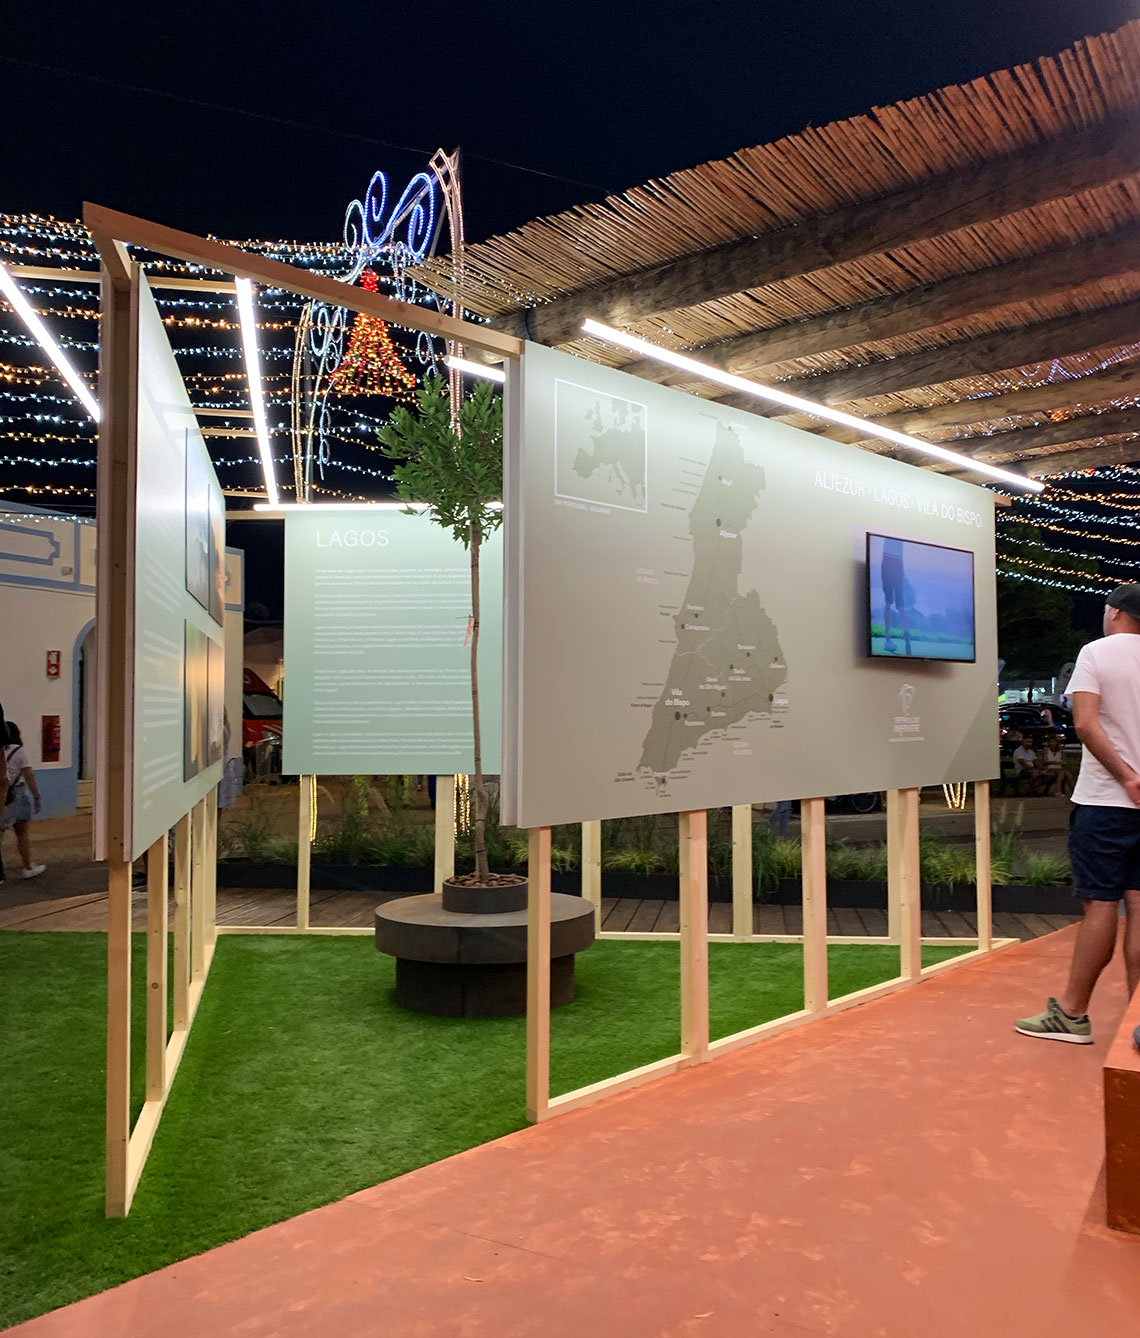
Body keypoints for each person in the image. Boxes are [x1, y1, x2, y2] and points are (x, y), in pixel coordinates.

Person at [1016, 583, 1140, 1043]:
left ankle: (1072, 1013)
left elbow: (1085, 723)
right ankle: (1137, 1020)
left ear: (1114, 613)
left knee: (1101, 905)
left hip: (1106, 803)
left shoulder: (1096, 653)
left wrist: (1127, 777)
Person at [1, 722, 45, 880]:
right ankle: (27, 866)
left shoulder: (1, 751)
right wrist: (36, 796)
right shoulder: (19, 751)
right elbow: (28, 775)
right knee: (22, 833)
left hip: (2, 793)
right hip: (17, 794)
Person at [880, 537, 911, 655]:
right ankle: (906, 634)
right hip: (898, 564)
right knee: (900, 605)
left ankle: (888, 640)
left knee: (888, 603)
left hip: (888, 562)